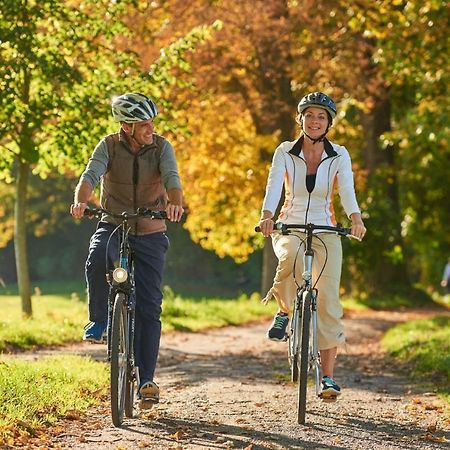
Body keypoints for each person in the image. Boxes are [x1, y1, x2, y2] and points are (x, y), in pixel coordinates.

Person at [70, 93, 184, 407]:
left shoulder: (161, 147)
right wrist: (81, 200)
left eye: (151, 123)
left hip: (150, 230)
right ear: (127, 126)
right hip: (113, 222)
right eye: (144, 124)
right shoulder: (107, 146)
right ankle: (99, 320)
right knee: (95, 258)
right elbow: (90, 175)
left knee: (149, 307)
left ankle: (146, 378)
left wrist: (175, 204)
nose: (150, 129)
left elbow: (172, 177)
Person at [258, 92, 366, 399]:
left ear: (329, 122)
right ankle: (283, 311)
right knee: (290, 255)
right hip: (289, 223)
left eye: (321, 117)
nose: (314, 121)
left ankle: (327, 378)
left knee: (329, 298)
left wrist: (356, 219)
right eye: (309, 116)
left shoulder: (339, 154)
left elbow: (346, 190)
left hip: (326, 227)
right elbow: (273, 186)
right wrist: (267, 217)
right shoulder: (285, 151)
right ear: (300, 119)